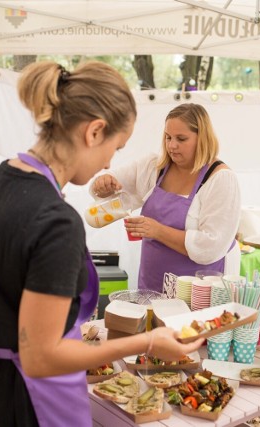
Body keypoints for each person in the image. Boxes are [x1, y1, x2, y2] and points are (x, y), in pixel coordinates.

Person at [0, 61, 203, 427]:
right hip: (30, 400)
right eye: (115, 147)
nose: (109, 162)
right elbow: (40, 357)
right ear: (95, 131)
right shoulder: (56, 221)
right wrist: (146, 342)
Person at [90, 103, 241, 292]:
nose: (172, 145)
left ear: (202, 138)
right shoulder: (154, 167)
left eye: (181, 139)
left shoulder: (220, 179)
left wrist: (158, 231)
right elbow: (112, 200)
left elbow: (211, 247)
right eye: (168, 137)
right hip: (152, 282)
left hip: (198, 291)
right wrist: (103, 185)